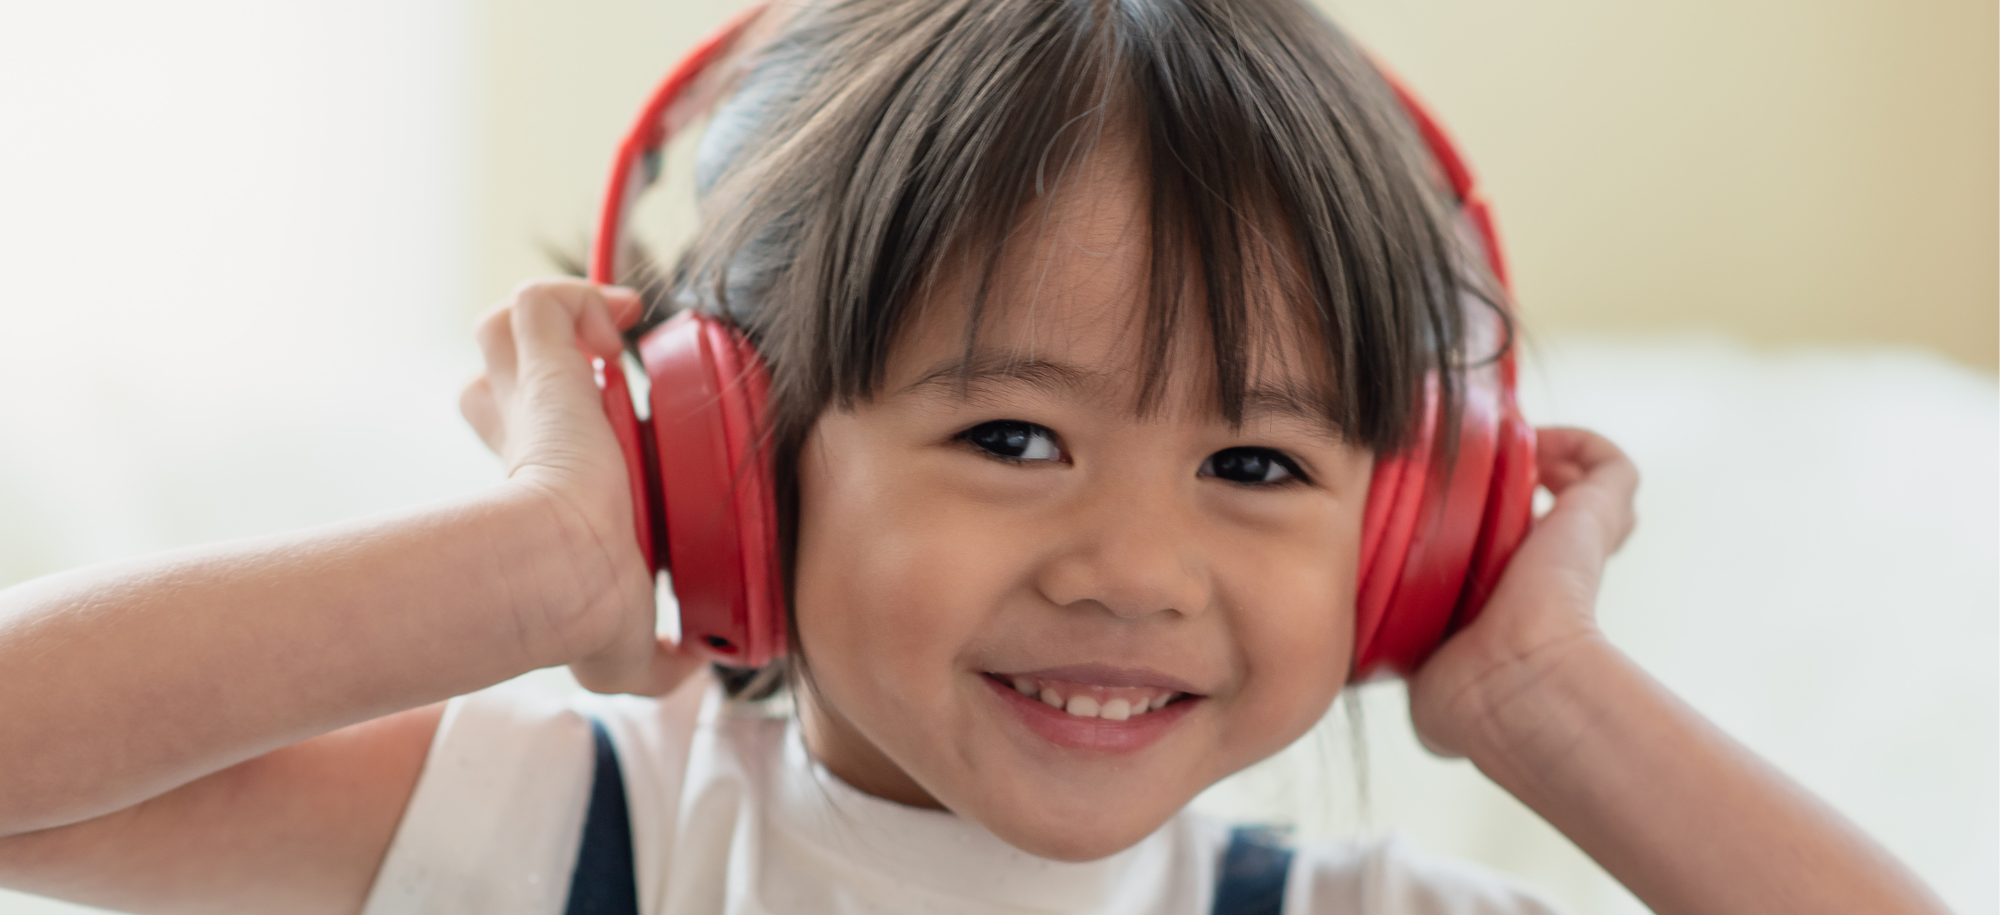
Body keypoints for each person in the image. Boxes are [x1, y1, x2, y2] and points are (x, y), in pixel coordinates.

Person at [0, 1, 1949, 913]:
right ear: (727, 463)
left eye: (1255, 466)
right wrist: (537, 563)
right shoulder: (584, 835)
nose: (1130, 562)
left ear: (1408, 535)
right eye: (1011, 432)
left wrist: (1543, 698)